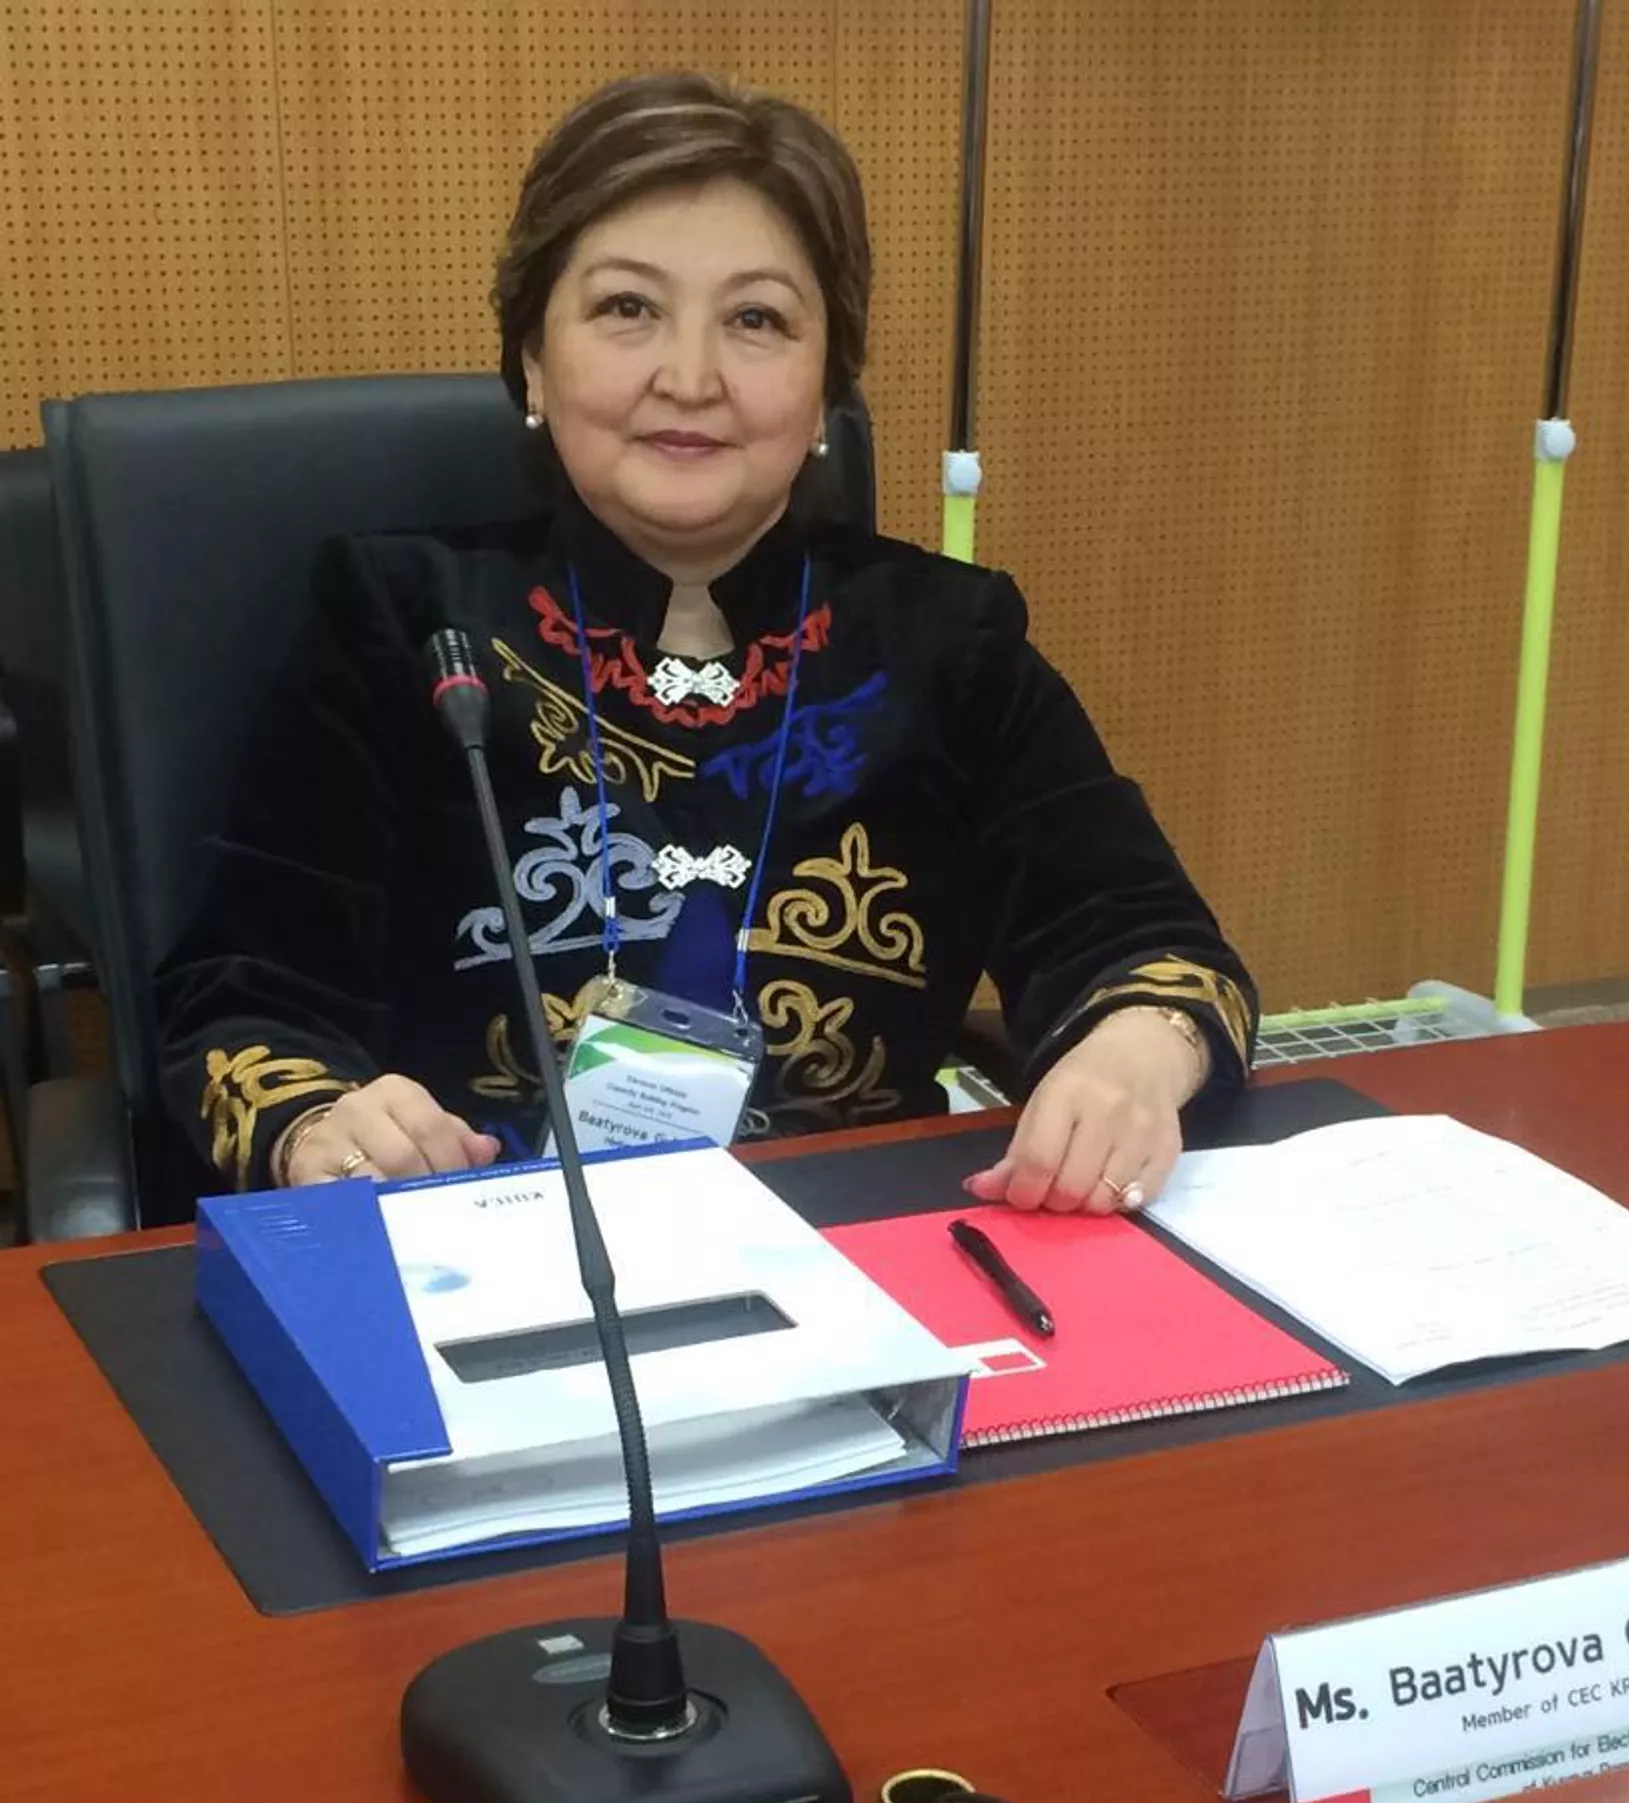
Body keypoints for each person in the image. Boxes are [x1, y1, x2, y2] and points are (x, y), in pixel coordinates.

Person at [155, 72, 1256, 1215]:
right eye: (627, 308)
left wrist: (1137, 1055)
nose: (690, 378)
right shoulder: (404, 623)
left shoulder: (951, 644)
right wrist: (321, 1126)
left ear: (828, 384)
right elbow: (239, 999)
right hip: (486, 1251)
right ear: (533, 357)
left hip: (861, 1255)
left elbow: (1154, 947)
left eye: (757, 320)